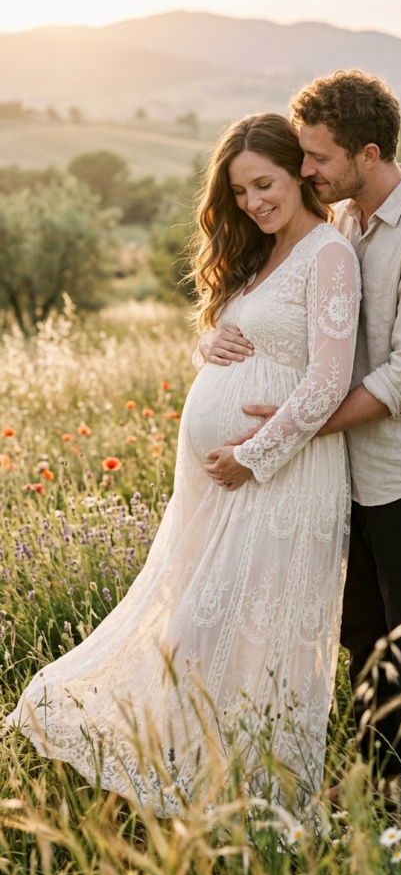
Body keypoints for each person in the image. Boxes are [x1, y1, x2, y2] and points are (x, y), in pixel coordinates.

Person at [7, 113, 361, 815]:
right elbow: (236, 335)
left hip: (279, 474)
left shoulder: (330, 254)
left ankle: (251, 793)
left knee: (236, 632)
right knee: (193, 625)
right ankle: (193, 774)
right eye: (240, 192)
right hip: (219, 477)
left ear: (298, 173)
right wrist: (208, 349)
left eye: (265, 183)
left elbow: (328, 380)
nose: (254, 202)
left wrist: (251, 457)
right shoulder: (262, 253)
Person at [199, 71, 401, 809]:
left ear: (369, 150)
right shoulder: (351, 222)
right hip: (346, 477)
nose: (306, 172)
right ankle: (377, 795)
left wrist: (289, 428)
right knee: (363, 641)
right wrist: (226, 337)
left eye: (317, 159)